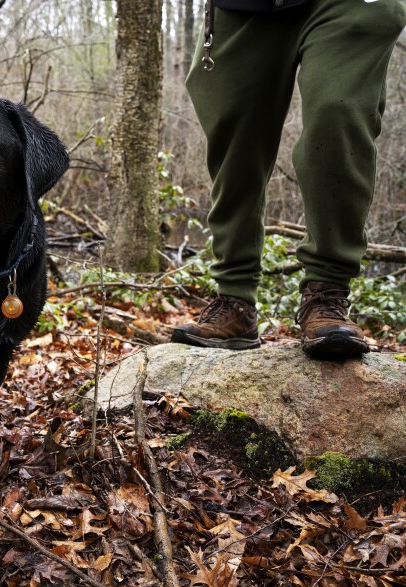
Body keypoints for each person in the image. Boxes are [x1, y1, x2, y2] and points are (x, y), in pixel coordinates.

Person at [171, 0, 406, 358]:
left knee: (337, 118)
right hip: (245, 6)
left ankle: (327, 293)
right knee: (235, 140)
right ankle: (234, 301)